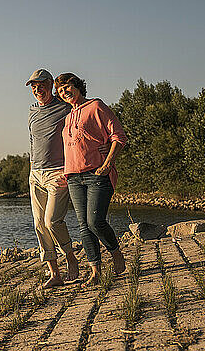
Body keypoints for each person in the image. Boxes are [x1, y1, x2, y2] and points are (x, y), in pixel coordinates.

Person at [54, 72, 127, 287]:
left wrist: (107, 163)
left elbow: (118, 136)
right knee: (84, 226)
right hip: (74, 178)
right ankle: (95, 271)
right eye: (60, 90)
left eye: (67, 87)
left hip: (97, 174)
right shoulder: (68, 117)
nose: (64, 92)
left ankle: (116, 254)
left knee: (95, 221)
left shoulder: (96, 106)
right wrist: (66, 171)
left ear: (77, 86)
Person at [26, 69, 80, 288]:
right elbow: (33, 142)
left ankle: (70, 257)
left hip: (57, 172)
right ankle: (54, 274)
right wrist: (31, 169)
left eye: (41, 85)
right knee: (39, 225)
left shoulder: (65, 108)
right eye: (33, 86)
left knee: (52, 221)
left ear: (51, 85)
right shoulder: (31, 111)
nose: (37, 89)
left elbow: (80, 129)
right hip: (35, 174)